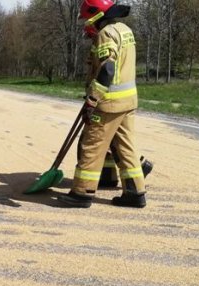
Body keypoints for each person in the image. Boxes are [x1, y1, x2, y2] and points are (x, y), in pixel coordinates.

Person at [59, 0, 146, 208]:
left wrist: (92, 99)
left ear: (96, 14)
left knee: (92, 144)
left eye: (88, 17)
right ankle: (135, 192)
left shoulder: (105, 33)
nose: (87, 22)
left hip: (108, 103)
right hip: (128, 101)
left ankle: (82, 193)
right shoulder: (124, 29)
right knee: (126, 147)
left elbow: (107, 70)